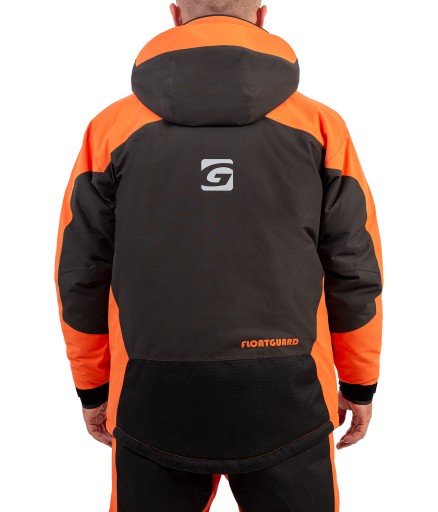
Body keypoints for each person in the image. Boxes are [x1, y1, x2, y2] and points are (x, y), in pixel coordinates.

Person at [54, 1, 383, 510]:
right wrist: (359, 383)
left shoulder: (111, 129)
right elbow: (355, 267)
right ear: (261, 15)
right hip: (289, 390)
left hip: (150, 390)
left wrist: (93, 388)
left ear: (175, 14)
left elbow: (79, 272)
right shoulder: (320, 126)